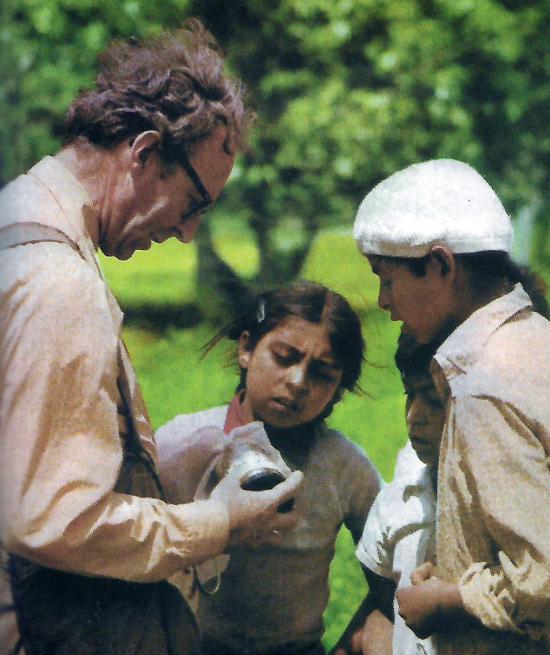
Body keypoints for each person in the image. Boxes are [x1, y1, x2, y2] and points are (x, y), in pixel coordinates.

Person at [0, 19, 302, 655]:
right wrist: (216, 522)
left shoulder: (17, 219)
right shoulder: (61, 284)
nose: (189, 233)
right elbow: (51, 518)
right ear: (142, 154)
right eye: (194, 203)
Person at [353, 158, 550, 655]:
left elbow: (542, 582)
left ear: (440, 265)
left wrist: (449, 599)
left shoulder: (484, 385)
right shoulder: (535, 341)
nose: (381, 301)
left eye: (388, 279)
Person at [156, 281, 383, 655]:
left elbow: (394, 574)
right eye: (284, 357)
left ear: (339, 387)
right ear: (246, 348)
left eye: (323, 374)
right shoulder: (183, 445)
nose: (297, 382)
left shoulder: (343, 467)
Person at [332, 334, 443, 655]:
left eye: (434, 400)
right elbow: (383, 602)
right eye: (410, 395)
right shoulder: (401, 499)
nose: (414, 415)